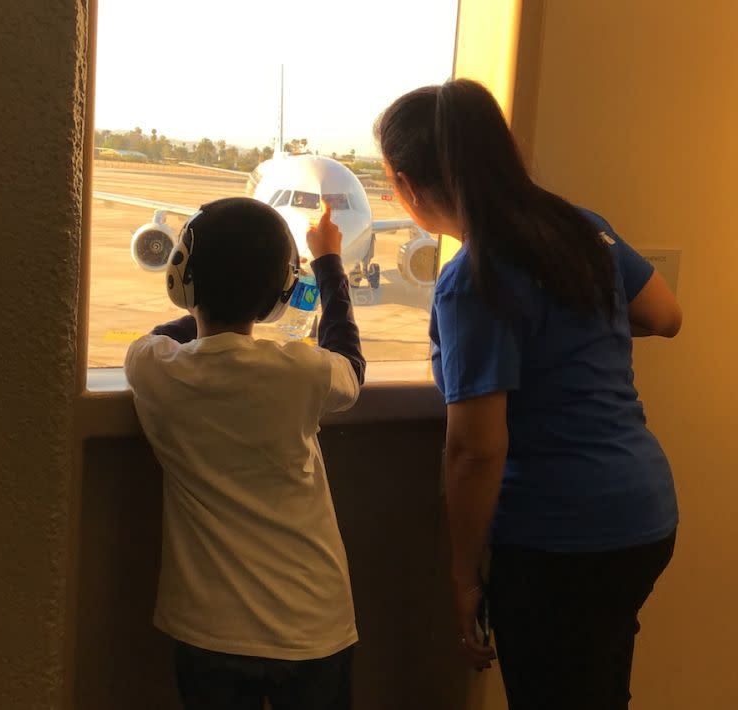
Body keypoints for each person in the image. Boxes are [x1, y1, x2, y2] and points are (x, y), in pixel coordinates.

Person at [375, 79, 682, 709]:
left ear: (407, 187)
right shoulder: (579, 228)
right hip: (644, 514)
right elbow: (666, 315)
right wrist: (577, 339)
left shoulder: (473, 278)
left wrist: (463, 575)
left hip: (562, 540)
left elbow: (476, 449)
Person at [125, 197, 364, 710]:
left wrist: (205, 306)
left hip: (208, 628)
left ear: (181, 280)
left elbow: (166, 335)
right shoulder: (304, 371)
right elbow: (350, 366)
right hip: (311, 622)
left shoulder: (153, 368)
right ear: (278, 297)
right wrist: (326, 265)